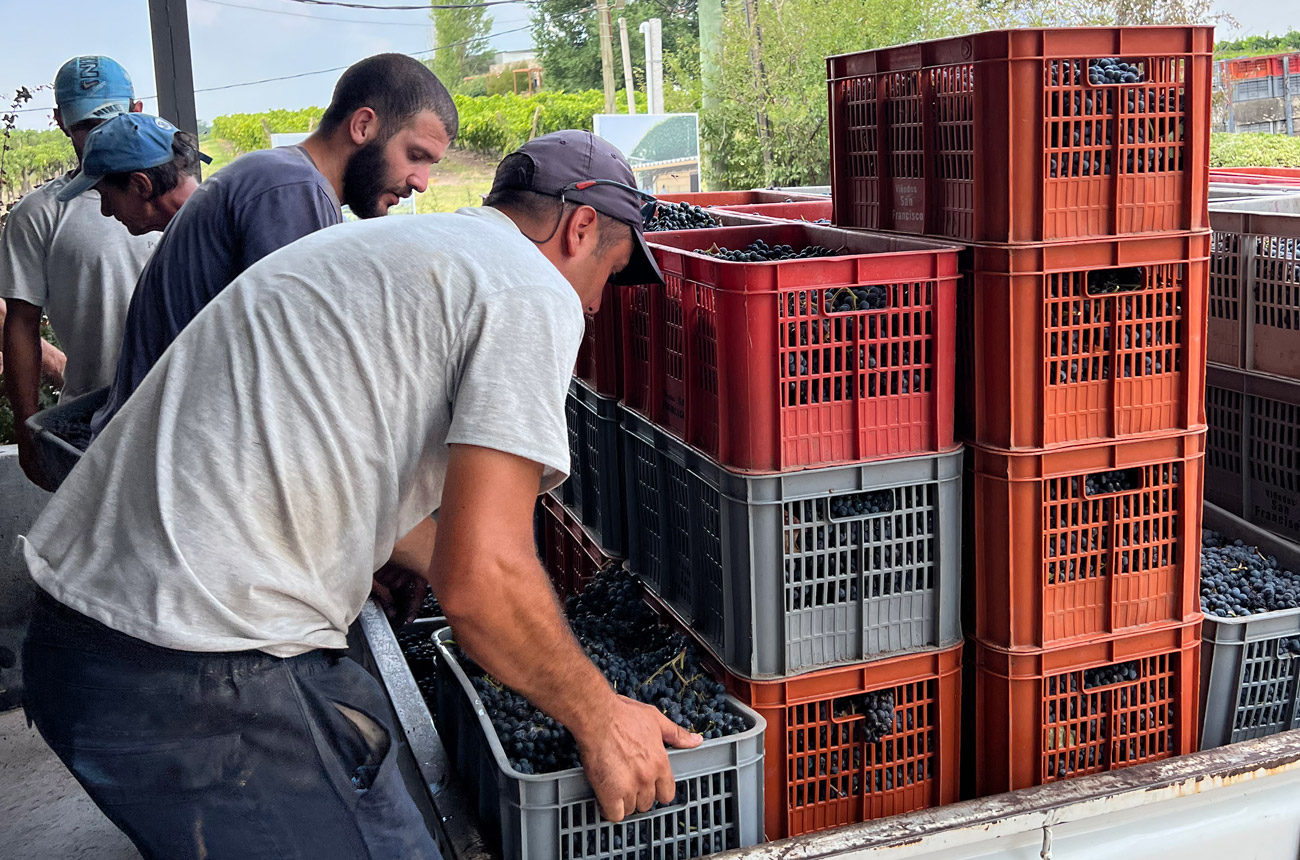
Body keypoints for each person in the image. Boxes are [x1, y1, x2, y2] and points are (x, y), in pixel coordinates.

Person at [21, 129, 685, 860]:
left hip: (79, 640)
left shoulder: (405, 254)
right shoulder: (530, 290)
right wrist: (601, 716)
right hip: (191, 669)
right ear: (579, 227)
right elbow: (479, 583)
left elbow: (350, 485)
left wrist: (534, 615)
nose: (593, 308)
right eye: (607, 275)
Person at [88, 52, 458, 439]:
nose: (422, 182)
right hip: (162, 457)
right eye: (415, 156)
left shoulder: (291, 181)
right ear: (363, 125)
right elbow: (296, 377)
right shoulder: (292, 191)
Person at [0, 55, 156, 490]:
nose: (101, 136)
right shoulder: (38, 216)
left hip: (180, 417)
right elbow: (21, 326)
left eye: (113, 120)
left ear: (137, 111)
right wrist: (30, 429)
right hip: (91, 429)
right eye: (87, 125)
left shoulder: (177, 202)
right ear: (61, 123)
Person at [57, 112, 208, 236]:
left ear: (140, 186)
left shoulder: (221, 234)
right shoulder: (198, 234)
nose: (106, 211)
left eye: (106, 196)